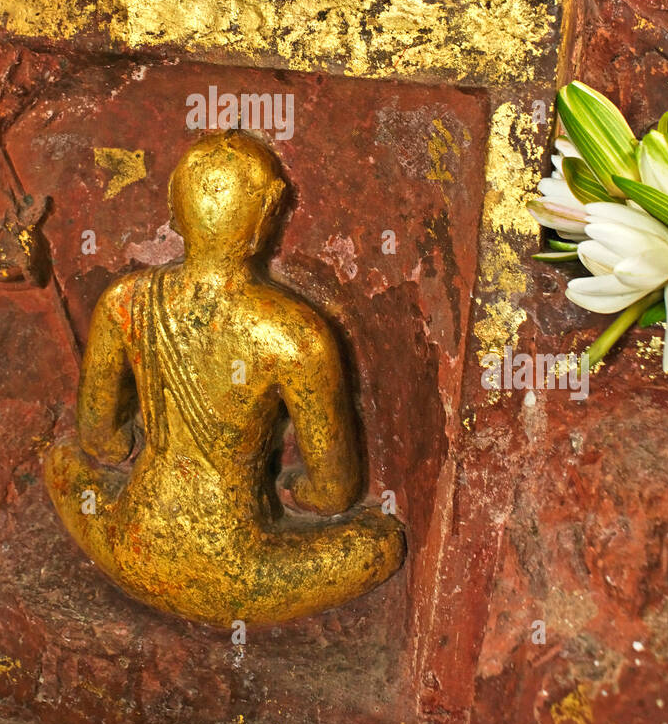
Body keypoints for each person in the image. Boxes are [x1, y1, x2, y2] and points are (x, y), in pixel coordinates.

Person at [45, 130, 404, 626]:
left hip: (133, 543)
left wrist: (122, 442)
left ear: (174, 211)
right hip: (238, 573)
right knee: (379, 546)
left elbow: (98, 440)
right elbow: (335, 493)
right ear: (269, 213)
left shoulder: (125, 301)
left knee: (60, 462)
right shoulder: (295, 334)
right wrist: (298, 491)